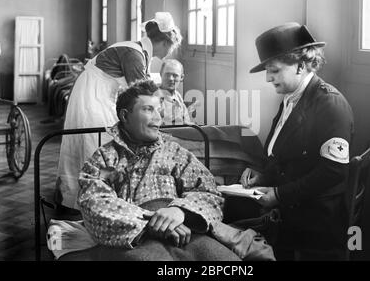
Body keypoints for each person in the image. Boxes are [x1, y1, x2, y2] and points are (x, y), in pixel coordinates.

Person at [59, 80, 241, 261]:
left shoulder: (176, 153)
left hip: (185, 234)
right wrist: (152, 221)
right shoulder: (103, 159)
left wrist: (180, 211)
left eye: (159, 110)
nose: (158, 118)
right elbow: (94, 204)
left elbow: (210, 192)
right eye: (148, 109)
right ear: (125, 115)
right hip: (134, 239)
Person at [240, 22, 354, 260]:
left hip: (315, 221)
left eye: (275, 70)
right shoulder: (291, 98)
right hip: (294, 207)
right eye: (267, 72)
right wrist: (264, 176)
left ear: (301, 65)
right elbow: (286, 156)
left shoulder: (329, 104)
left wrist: (279, 195)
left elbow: (333, 172)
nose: (269, 79)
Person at [55, 12, 183, 209]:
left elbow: (142, 85)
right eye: (171, 47)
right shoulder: (134, 54)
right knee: (95, 141)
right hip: (92, 94)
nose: (170, 52)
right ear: (165, 43)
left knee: (97, 140)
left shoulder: (138, 51)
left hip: (98, 92)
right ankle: (90, 199)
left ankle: (92, 196)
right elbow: (141, 92)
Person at [154, 59, 193, 125]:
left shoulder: (177, 96)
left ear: (181, 77)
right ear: (160, 74)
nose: (171, 78)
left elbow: (187, 121)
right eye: (167, 74)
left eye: (175, 75)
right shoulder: (152, 96)